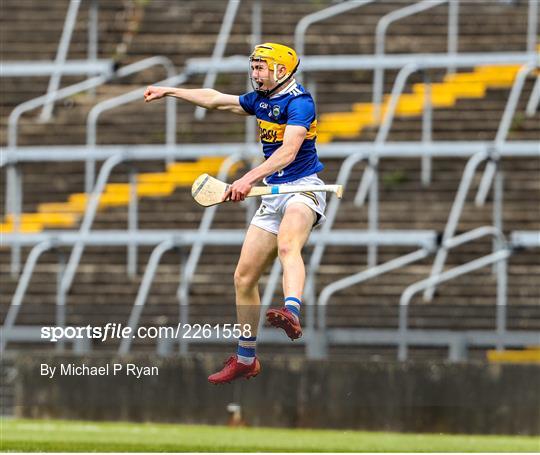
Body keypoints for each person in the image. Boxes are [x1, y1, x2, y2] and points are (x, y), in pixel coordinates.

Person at [144, 43, 327, 384]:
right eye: (254, 67)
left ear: (281, 71)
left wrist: (246, 178)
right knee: (243, 277)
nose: (255, 73)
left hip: (302, 189)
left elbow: (288, 152)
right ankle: (246, 358)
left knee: (289, 246)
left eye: (261, 68)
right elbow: (216, 99)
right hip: (272, 195)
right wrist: (171, 90)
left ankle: (291, 310)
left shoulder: (300, 102)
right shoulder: (260, 99)